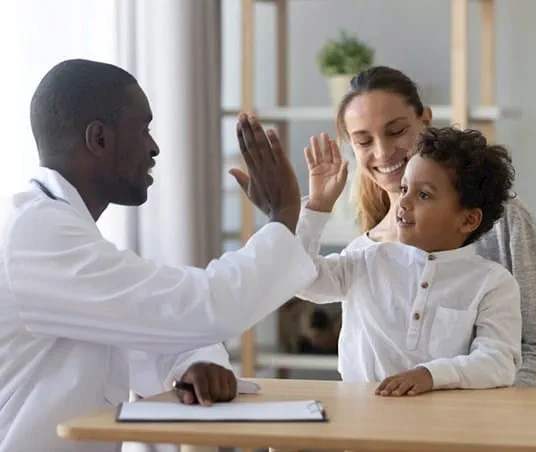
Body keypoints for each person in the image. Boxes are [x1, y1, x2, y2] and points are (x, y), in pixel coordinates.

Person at [0, 59, 317, 452]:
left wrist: (195, 363)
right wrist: (282, 217)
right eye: (143, 129)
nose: (154, 147)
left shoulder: (53, 227)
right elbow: (202, 304)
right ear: (98, 139)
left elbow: (143, 322)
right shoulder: (37, 234)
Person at [319, 65, 536, 388]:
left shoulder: (506, 220)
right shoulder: (365, 252)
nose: (382, 151)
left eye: (396, 131)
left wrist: (477, 418)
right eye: (363, 141)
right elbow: (302, 279)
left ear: (425, 120)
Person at [296, 125, 522, 395]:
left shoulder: (493, 283)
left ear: (468, 219)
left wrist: (431, 375)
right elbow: (301, 279)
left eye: (423, 194)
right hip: (360, 419)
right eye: (404, 188)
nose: (403, 202)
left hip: (444, 427)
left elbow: (498, 362)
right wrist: (317, 207)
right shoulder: (367, 259)